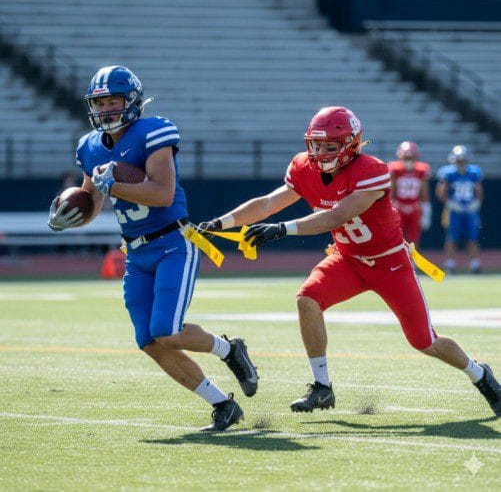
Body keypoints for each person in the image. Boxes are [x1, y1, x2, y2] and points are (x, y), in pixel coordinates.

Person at [200, 106, 500, 417]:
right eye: (316, 144)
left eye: (330, 146)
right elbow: (267, 203)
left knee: (425, 341)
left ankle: (480, 375)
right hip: (348, 259)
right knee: (307, 299)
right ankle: (322, 387)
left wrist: (282, 229)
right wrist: (221, 222)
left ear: (351, 144)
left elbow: (338, 214)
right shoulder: (304, 167)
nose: (320, 152)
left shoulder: (372, 170)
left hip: (389, 264)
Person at [47, 65, 258, 431]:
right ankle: (222, 404)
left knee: (166, 329)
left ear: (131, 101)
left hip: (172, 242)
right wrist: (68, 217)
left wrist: (114, 185)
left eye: (113, 100)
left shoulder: (154, 131)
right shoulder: (89, 147)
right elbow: (92, 202)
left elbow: (162, 192)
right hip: (135, 252)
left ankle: (229, 350)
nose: (106, 109)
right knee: (149, 340)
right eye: (100, 102)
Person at [436, 145, 484, 274]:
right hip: (453, 210)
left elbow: (479, 190)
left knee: (472, 237)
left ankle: (475, 264)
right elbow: (441, 192)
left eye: (463, 160)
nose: (461, 163)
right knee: (452, 237)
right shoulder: (448, 173)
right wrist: (449, 203)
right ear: (454, 160)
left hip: (470, 209)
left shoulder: (474, 172)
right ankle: (449, 264)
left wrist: (477, 202)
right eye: (459, 160)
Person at [388, 141, 431, 247]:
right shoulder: (395, 169)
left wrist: (427, 211)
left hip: (415, 207)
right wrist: (388, 208)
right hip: (399, 207)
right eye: (406, 158)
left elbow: (424, 192)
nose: (408, 161)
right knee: (397, 237)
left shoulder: (422, 170)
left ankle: (412, 261)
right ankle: (399, 260)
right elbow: (391, 191)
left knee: (414, 239)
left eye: (410, 158)